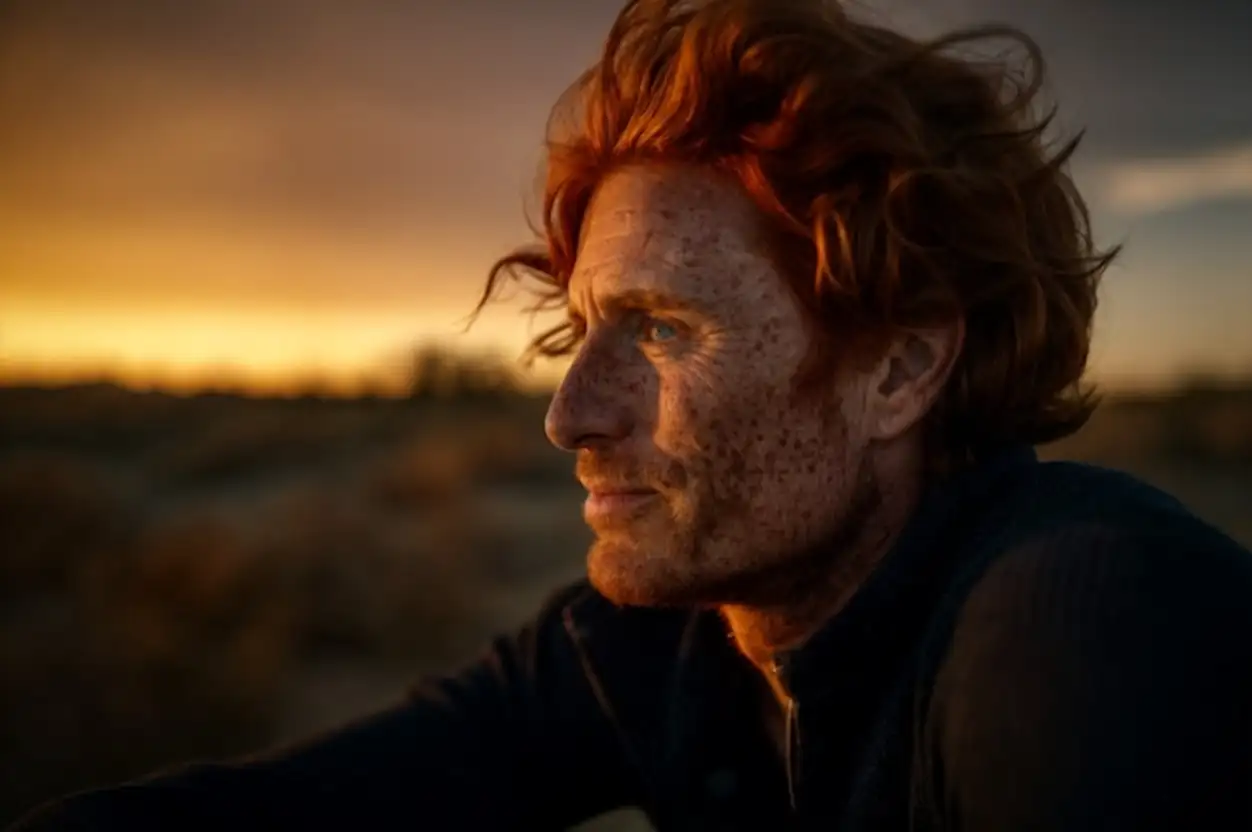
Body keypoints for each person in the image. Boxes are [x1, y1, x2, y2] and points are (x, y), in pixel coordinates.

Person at [13, 0, 1252, 830]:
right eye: (580, 330)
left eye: (662, 331)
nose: (569, 414)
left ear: (898, 371)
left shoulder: (1089, 626)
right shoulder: (663, 640)